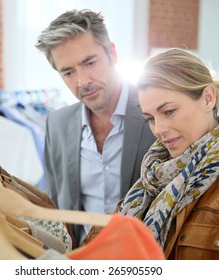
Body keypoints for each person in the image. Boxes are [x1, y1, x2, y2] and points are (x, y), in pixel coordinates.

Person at [115, 48, 219, 259]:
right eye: (150, 118)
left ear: (208, 98)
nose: (159, 129)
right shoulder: (150, 180)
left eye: (169, 111)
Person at [35, 9, 155, 245]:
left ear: (112, 52)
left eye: (89, 63)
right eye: (68, 72)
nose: (82, 81)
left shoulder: (156, 113)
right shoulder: (57, 125)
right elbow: (56, 206)